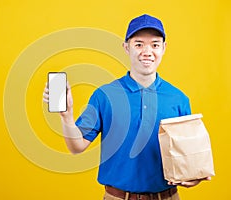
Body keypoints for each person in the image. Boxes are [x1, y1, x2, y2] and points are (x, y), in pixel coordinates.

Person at [43, 14, 210, 200]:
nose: (147, 51)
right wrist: (66, 117)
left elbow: (188, 155)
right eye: (139, 44)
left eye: (155, 45)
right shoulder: (104, 95)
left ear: (163, 48)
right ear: (126, 47)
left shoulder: (178, 99)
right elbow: (77, 146)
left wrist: (194, 176)